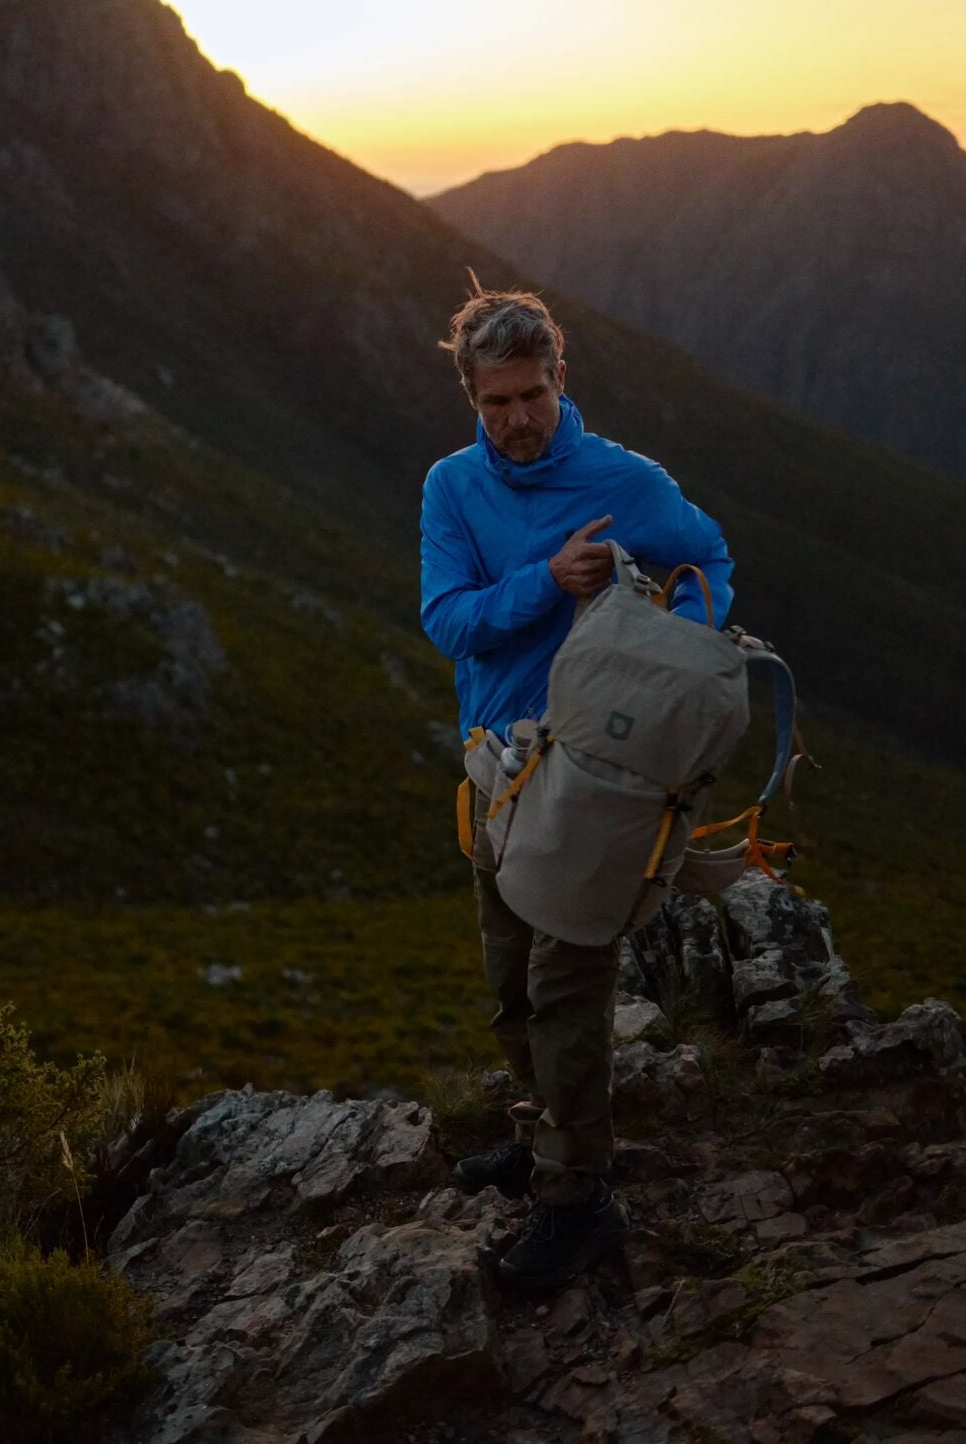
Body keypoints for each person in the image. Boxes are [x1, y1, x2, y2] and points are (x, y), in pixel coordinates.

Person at [419, 277, 735, 1292]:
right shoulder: (451, 488)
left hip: (594, 781)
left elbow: (708, 564)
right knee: (509, 988)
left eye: (531, 397)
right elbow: (450, 620)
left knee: (566, 988)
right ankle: (543, 1132)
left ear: (561, 380)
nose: (516, 421)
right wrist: (545, 585)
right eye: (495, 403)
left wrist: (663, 668)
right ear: (472, 397)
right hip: (495, 767)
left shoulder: (623, 481)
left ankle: (577, 1197)